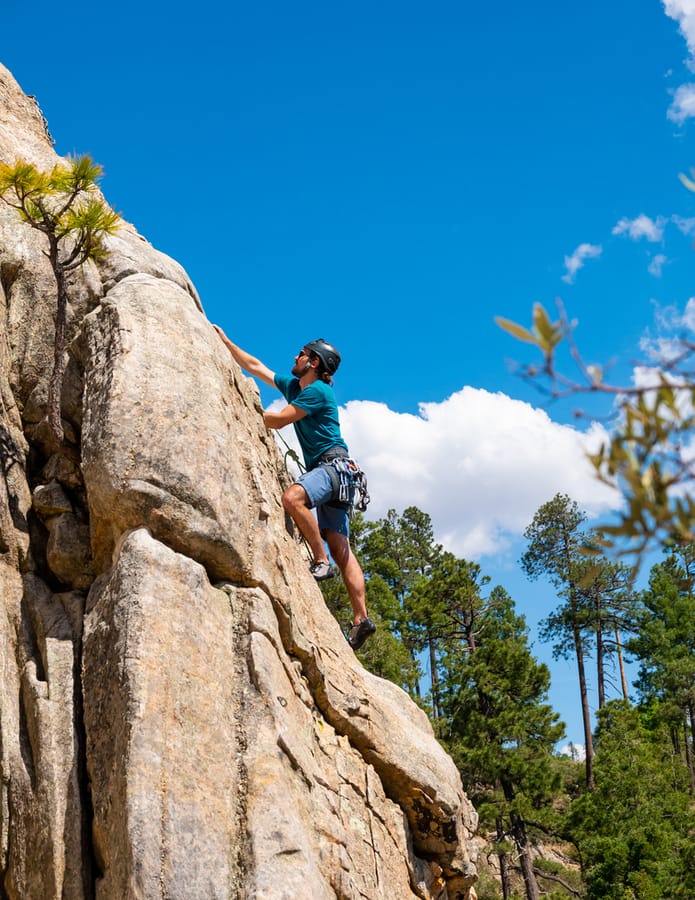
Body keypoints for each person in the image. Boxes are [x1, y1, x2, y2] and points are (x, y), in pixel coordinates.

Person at [213, 325, 376, 651]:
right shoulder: (299, 386)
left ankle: (319, 561)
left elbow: (281, 419)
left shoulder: (316, 392)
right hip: (342, 474)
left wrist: (238, 408)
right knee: (341, 546)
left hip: (330, 468)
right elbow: (257, 367)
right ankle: (361, 619)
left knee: (292, 498)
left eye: (301, 353)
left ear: (314, 362)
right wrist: (227, 342)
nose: (295, 356)